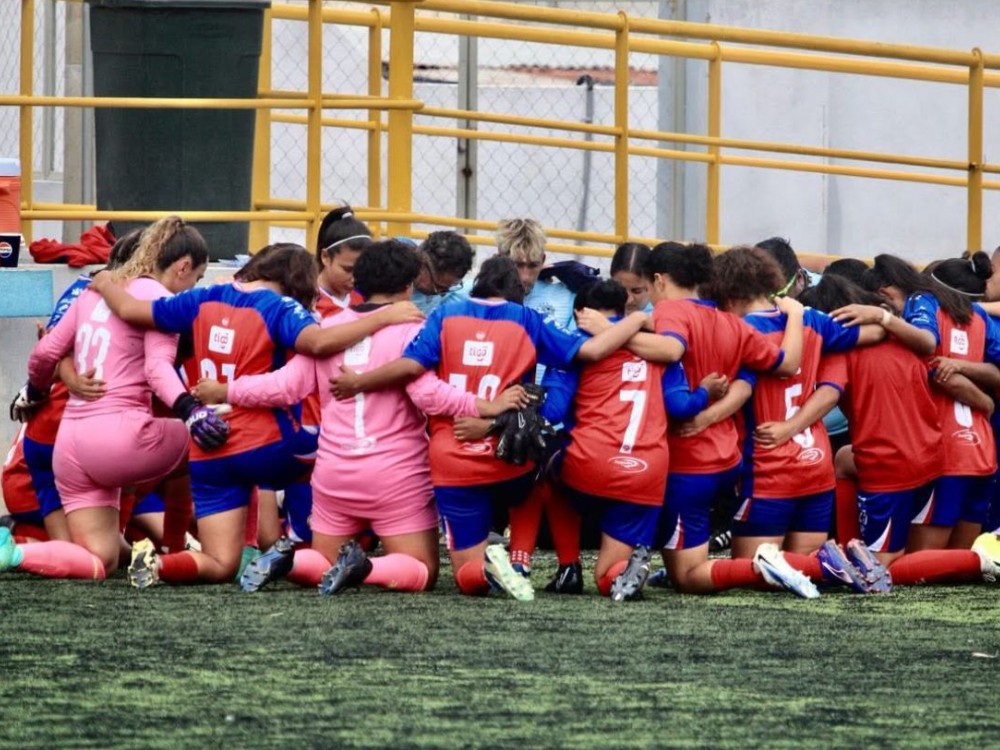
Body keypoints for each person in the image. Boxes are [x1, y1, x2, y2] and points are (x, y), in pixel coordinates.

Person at [193, 240, 528, 594]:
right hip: (395, 475)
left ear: (359, 281)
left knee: (323, 563)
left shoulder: (328, 329)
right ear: (407, 286)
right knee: (422, 570)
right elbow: (427, 395)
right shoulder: (413, 329)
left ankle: (288, 560)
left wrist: (226, 391)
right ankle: (365, 568)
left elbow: (284, 386)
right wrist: (484, 406)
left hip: (334, 472)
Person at [86, 242, 426, 587]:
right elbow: (315, 349)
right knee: (319, 457)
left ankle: (162, 564)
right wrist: (383, 316)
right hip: (266, 444)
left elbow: (130, 310)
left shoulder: (204, 296)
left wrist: (105, 283)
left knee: (219, 563)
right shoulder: (282, 308)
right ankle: (284, 541)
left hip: (208, 444)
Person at [330, 256, 665, 601]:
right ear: (517, 292)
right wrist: (638, 318)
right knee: (538, 472)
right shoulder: (526, 318)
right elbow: (591, 352)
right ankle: (522, 561)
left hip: (451, 457)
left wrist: (360, 382)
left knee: (465, 578)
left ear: (477, 283)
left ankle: (487, 567)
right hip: (508, 457)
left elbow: (412, 369)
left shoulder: (445, 315)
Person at [0, 216, 216, 581]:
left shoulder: (93, 291)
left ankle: (15, 553)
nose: (193, 287)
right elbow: (158, 371)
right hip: (117, 439)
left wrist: (34, 391)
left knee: (98, 560)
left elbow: (44, 354)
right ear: (182, 266)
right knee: (207, 443)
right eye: (196, 277)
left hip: (70, 444)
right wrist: (191, 412)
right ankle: (178, 553)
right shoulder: (159, 298)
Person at [784, 273, 1000, 586]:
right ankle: (853, 547)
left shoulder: (844, 349)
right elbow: (947, 373)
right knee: (845, 460)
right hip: (932, 456)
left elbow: (829, 393)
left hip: (888, 462)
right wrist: (986, 402)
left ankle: (981, 558)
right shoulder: (907, 337)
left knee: (882, 569)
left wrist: (789, 427)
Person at [637, 241, 818, 597]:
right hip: (726, 460)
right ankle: (812, 562)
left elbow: (672, 348)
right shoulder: (732, 323)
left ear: (659, 281)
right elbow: (788, 363)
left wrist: (611, 332)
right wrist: (796, 317)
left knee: (688, 579)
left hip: (688, 461)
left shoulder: (671, 311)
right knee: (685, 564)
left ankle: (761, 566)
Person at [706, 246, 888, 593]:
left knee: (752, 573)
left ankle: (833, 562)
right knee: (796, 574)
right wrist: (881, 317)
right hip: (816, 466)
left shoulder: (737, 331)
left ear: (727, 293)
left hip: (767, 467)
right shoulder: (814, 321)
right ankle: (831, 561)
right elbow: (874, 334)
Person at [834, 253, 1000, 554]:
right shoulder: (979, 318)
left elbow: (931, 361)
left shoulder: (922, 305)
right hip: (982, 451)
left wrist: (882, 319)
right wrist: (984, 399)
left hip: (942, 451)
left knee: (918, 564)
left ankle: (854, 555)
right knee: (957, 564)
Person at [314, 204, 370, 317]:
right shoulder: (308, 302)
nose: (354, 278)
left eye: (361, 270)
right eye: (347, 269)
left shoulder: (362, 298)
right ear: (325, 257)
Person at [411, 231, 475, 315]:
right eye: (438, 287)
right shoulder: (393, 271)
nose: (441, 294)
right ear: (422, 266)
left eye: (451, 286)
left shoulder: (452, 293)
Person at [610, 242, 653, 315]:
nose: (628, 300)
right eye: (621, 290)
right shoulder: (595, 311)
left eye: (637, 291)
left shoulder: (664, 319)